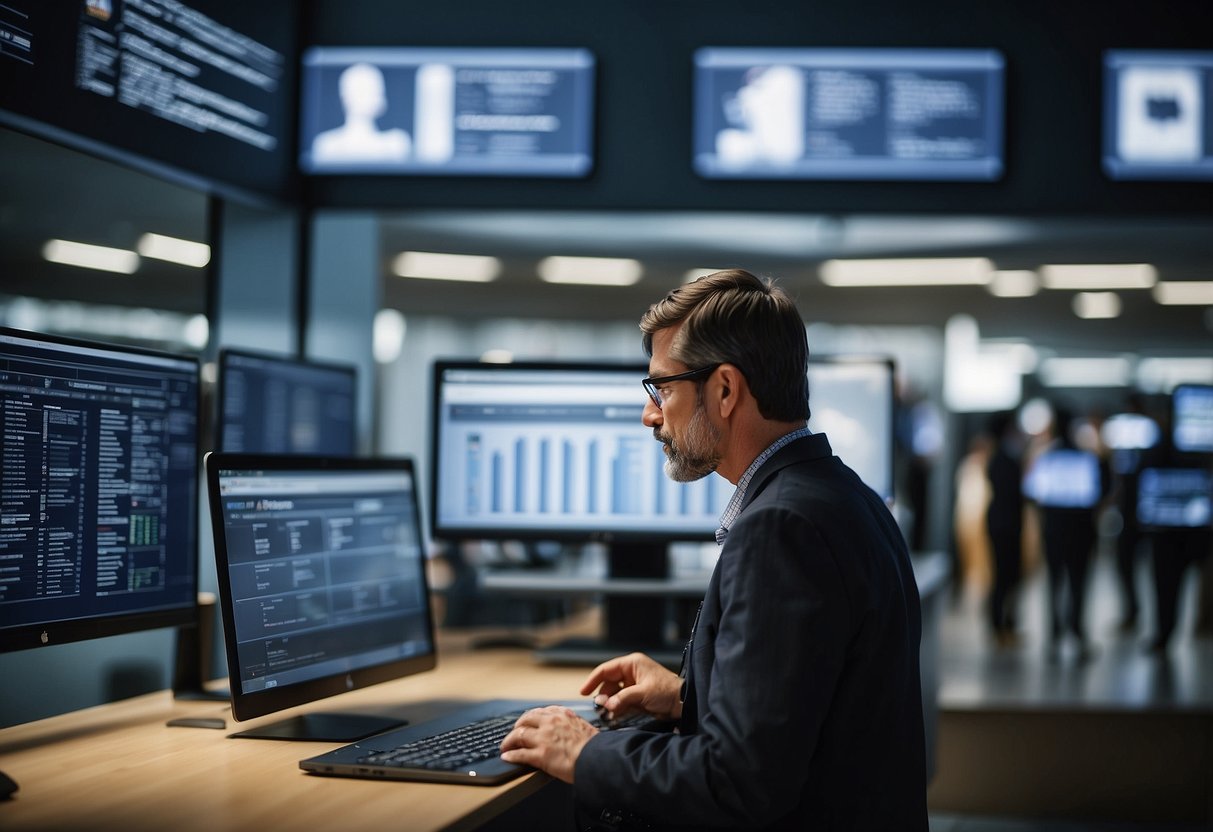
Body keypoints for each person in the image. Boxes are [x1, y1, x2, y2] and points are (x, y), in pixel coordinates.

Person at [499, 269, 928, 830]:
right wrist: (689, 696)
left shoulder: (780, 529)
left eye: (663, 388)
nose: (650, 413)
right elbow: (818, 717)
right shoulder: (847, 497)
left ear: (725, 390)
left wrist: (585, 752)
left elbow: (739, 782)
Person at [312, 63, 411, 164]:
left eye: (375, 91)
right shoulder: (328, 145)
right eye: (362, 91)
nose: (371, 97)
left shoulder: (395, 144)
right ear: (344, 97)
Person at [985, 410, 1024, 647]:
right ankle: (999, 627)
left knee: (1009, 576)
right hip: (1004, 524)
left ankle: (1007, 625)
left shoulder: (1001, 457)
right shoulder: (1003, 459)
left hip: (1005, 522)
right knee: (1003, 576)